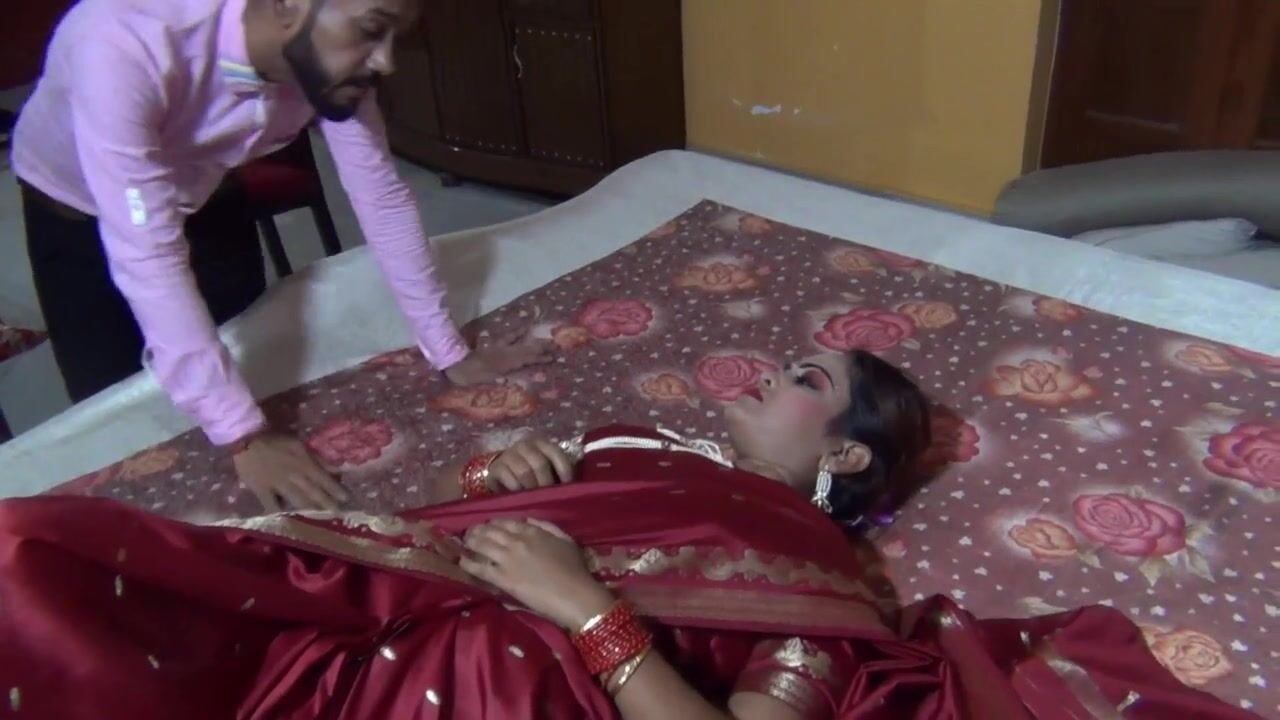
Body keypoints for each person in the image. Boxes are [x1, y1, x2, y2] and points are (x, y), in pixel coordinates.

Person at [0, 351, 1260, 720]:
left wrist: (586, 613)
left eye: (804, 379)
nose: (764, 372)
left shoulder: (821, 578)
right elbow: (446, 514)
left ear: (841, 455)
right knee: (43, 557)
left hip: (513, 671)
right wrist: (503, 469)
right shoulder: (622, 440)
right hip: (367, 589)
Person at [10, 0, 550, 513]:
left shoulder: (330, 59)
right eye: (371, 28)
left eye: (395, 37)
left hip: (207, 189)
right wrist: (245, 438)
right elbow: (148, 255)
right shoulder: (120, 42)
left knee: (246, 355)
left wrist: (448, 351)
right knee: (117, 424)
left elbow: (381, 197)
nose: (385, 61)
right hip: (80, 214)